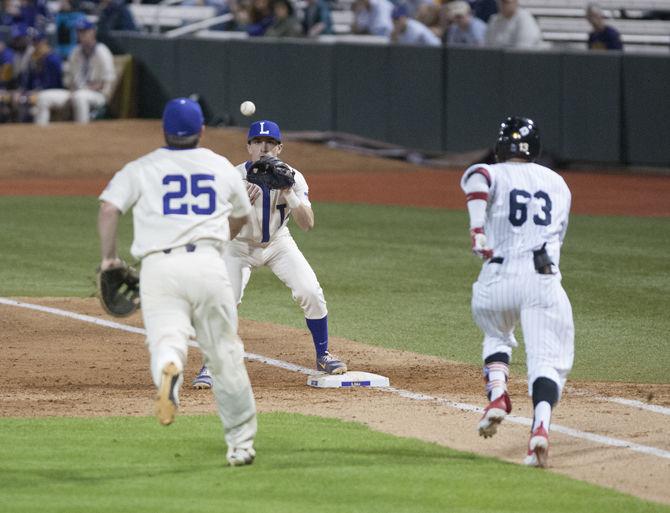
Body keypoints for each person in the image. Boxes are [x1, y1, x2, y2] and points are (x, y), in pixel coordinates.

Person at [97, 97, 258, 467]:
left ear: (164, 131)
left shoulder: (142, 167)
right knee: (224, 356)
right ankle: (240, 446)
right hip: (207, 265)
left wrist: (109, 260)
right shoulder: (220, 166)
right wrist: (219, 242)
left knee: (166, 341)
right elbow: (242, 218)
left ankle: (170, 370)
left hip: (159, 268)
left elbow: (109, 208)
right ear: (202, 131)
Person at [192, 119, 347, 389]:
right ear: (248, 146)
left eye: (270, 143)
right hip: (238, 246)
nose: (264, 148)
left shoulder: (293, 177)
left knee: (310, 291)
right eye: (257, 142)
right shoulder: (231, 178)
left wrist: (290, 194)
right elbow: (224, 234)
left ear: (280, 148)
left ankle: (323, 355)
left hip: (278, 243)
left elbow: (307, 224)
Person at [460, 116, 574, 468]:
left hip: (495, 282)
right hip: (541, 280)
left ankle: (497, 393)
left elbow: (476, 177)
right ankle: (539, 429)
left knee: (497, 333)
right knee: (547, 362)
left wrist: (477, 229)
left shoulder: (490, 171)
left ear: (499, 147)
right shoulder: (558, 184)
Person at [33, 18, 115, 125]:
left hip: (98, 95)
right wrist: (72, 91)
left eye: (84, 31)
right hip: (75, 92)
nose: (81, 34)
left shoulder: (102, 51)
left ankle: (82, 133)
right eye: (79, 31)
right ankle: (40, 135)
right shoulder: (75, 52)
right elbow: (69, 79)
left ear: (93, 32)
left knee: (80, 97)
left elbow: (107, 82)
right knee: (43, 97)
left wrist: (85, 89)